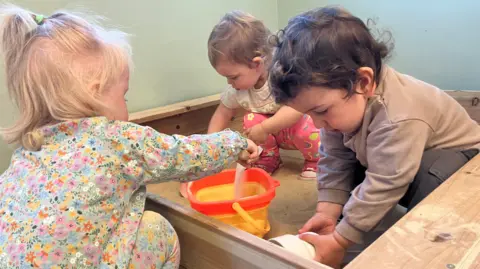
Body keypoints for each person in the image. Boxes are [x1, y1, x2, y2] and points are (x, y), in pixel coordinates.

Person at [0, 5, 258, 268]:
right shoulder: (114, 139)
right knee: (156, 228)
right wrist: (235, 143)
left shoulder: (26, 153)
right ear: (95, 92)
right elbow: (183, 153)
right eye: (123, 95)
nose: (126, 105)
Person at [268, 6, 480, 268]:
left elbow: (388, 179)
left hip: (465, 161)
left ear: (363, 82)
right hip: (401, 159)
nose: (317, 123)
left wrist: (341, 240)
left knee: (430, 179)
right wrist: (328, 210)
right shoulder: (343, 106)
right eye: (308, 114)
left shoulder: (398, 115)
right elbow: (334, 158)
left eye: (321, 111)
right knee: (355, 168)